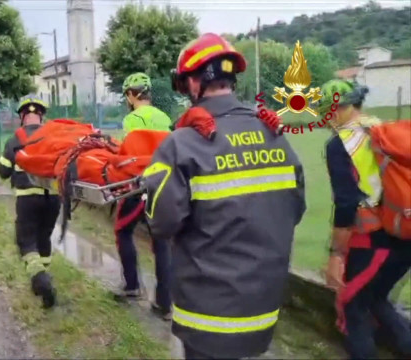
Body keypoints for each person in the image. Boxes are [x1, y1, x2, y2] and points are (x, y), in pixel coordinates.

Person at [143, 33, 307, 359]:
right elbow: (296, 208)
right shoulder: (274, 135)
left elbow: (162, 224)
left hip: (208, 316)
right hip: (262, 309)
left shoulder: (181, 144)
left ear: (193, 83)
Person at [319, 79, 411, 359]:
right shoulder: (381, 128)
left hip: (374, 239)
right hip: (404, 231)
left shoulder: (341, 144)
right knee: (376, 299)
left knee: (353, 308)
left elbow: (346, 204)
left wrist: (336, 255)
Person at [114, 72, 173, 321]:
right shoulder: (164, 117)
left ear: (131, 94)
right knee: (161, 242)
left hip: (139, 186)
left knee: (122, 231)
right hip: (166, 185)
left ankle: (132, 286)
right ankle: (164, 304)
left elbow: (130, 155)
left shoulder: (132, 119)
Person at [0, 96, 60, 309]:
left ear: (22, 116)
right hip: (53, 197)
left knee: (26, 241)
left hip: (27, 198)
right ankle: (43, 278)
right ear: (41, 116)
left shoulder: (15, 139)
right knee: (44, 237)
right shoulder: (54, 137)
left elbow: (3, 171)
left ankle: (41, 280)